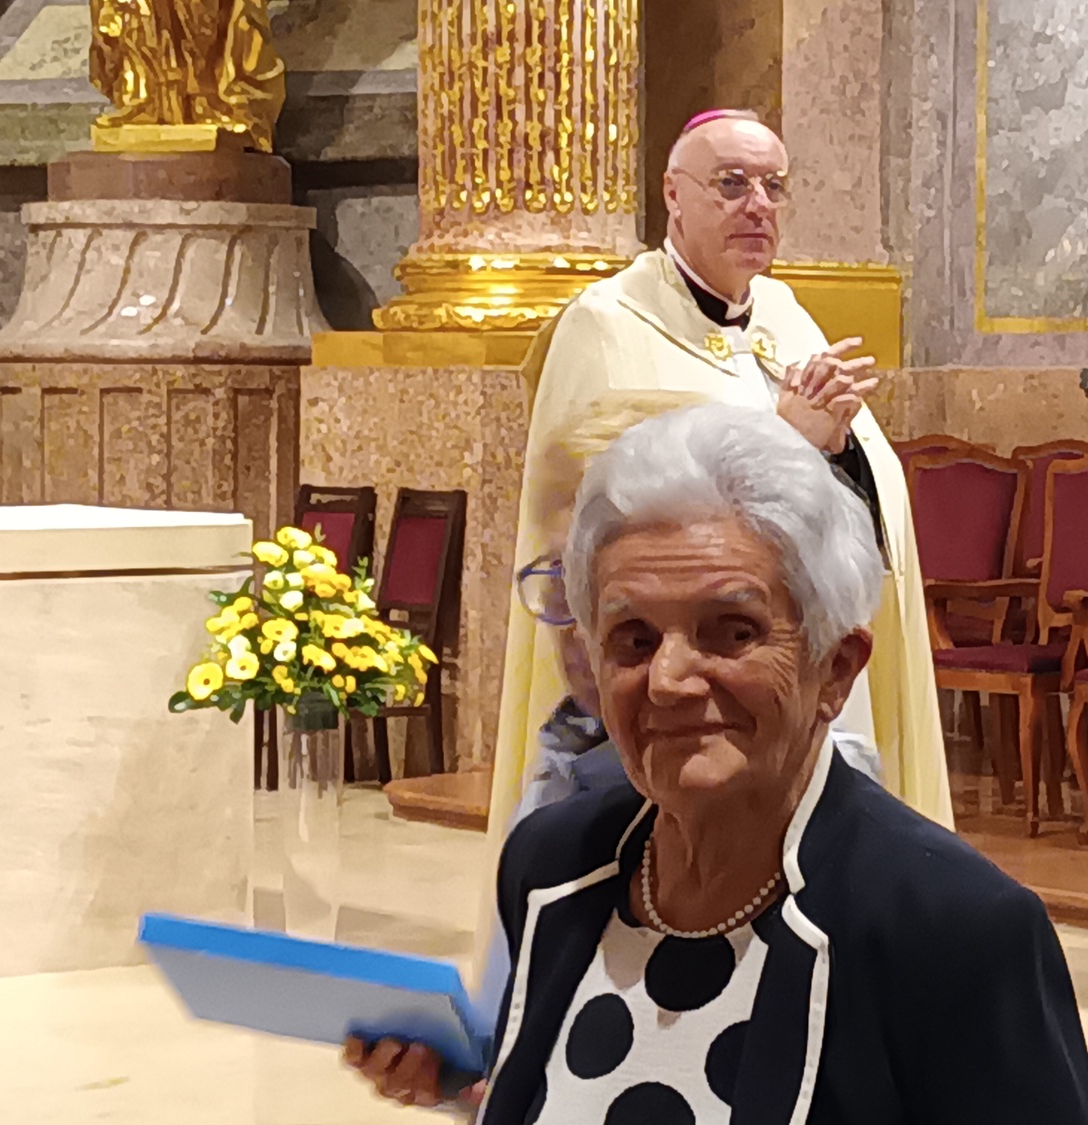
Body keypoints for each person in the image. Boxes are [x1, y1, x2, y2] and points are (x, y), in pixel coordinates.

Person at [345, 396, 887, 1115]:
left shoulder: (913, 905)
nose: (668, 676)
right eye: (564, 581)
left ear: (834, 667)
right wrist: (467, 1083)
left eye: (729, 629)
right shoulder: (554, 836)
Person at [490, 110, 951, 903]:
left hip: (802, 653)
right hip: (684, 673)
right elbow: (600, 506)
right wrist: (787, 441)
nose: (758, 205)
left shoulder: (789, 320)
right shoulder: (604, 324)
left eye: (775, 186)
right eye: (732, 184)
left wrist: (838, 449)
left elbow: (869, 497)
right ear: (673, 194)